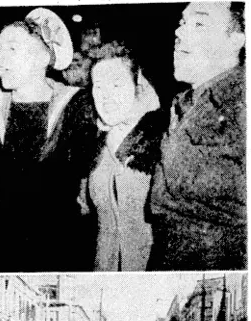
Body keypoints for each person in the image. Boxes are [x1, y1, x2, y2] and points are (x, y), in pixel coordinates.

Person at [0, 8, 98, 272]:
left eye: (12, 49)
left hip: (62, 248)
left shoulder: (77, 106)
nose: (0, 58)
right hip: (2, 250)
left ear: (43, 56)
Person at [148, 2, 246, 270]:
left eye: (199, 24)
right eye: (182, 23)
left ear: (237, 39)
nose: (180, 33)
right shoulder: (185, 102)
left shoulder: (241, 103)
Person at [79, 42, 166, 271]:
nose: (106, 96)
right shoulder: (92, 146)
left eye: (117, 84)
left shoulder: (163, 139)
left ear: (137, 85)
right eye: (98, 87)